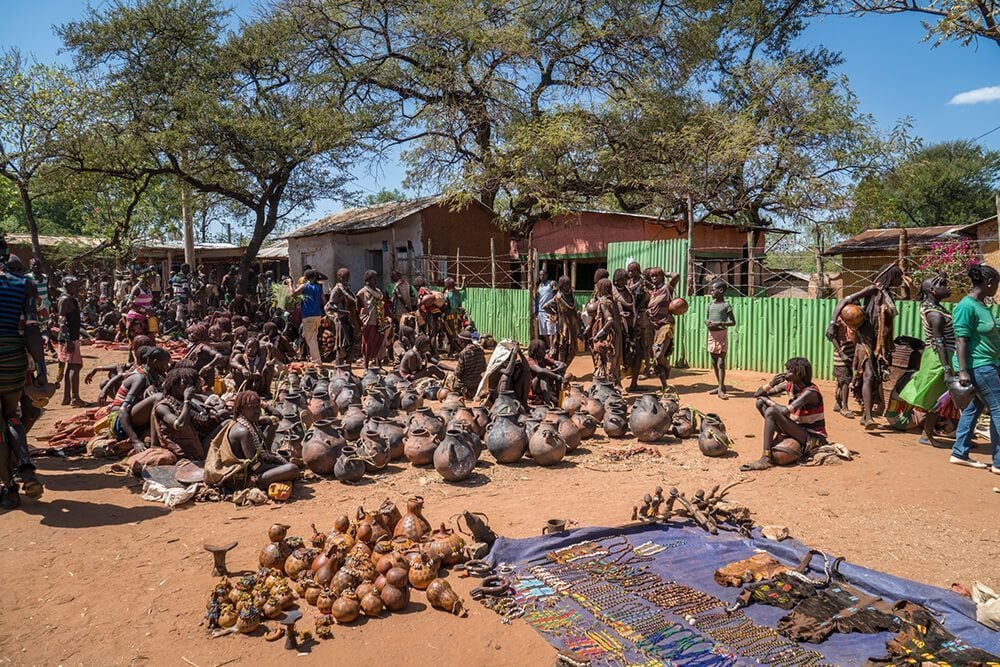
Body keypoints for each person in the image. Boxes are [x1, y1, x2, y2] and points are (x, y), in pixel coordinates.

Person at [828, 263, 907, 428]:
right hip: (866, 341)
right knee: (868, 375)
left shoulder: (887, 294)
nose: (901, 279)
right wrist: (832, 323)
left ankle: (866, 415)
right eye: (899, 276)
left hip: (881, 344)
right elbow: (845, 300)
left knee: (875, 378)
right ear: (891, 276)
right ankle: (868, 417)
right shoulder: (874, 289)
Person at [0, 254, 48, 509]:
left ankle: (9, 489)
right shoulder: (25, 284)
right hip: (14, 360)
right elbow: (32, 328)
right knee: (11, 416)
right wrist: (41, 369)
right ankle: (26, 469)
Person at [948, 264, 1000, 473]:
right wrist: (963, 371)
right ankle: (999, 462)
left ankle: (959, 453)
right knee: (998, 409)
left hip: (986, 364)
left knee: (974, 408)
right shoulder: (966, 306)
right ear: (989, 282)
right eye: (997, 284)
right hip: (978, 366)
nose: (997, 288)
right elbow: (961, 340)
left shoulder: (981, 305)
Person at [897, 275, 955, 446]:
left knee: (944, 396)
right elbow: (939, 342)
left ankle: (949, 433)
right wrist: (946, 368)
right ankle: (927, 435)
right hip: (939, 358)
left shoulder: (933, 307)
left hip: (941, 355)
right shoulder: (934, 314)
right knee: (936, 398)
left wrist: (941, 274)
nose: (948, 287)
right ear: (932, 290)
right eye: (943, 285)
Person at [742, 357, 826, 471]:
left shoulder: (810, 392)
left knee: (771, 411)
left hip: (812, 436)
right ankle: (781, 439)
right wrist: (771, 383)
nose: (786, 373)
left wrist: (767, 400)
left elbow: (785, 411)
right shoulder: (789, 385)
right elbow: (758, 394)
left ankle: (765, 458)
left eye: (790, 371)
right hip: (797, 429)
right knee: (760, 403)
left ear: (800, 374)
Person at [204, 390, 298, 491]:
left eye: (257, 407)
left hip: (254, 469)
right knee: (292, 469)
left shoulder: (251, 421)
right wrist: (277, 464)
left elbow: (278, 416)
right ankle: (262, 483)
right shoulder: (243, 431)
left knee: (271, 424)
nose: (256, 411)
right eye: (251, 408)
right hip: (243, 479)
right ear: (241, 410)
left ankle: (271, 464)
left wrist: (265, 405)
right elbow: (257, 467)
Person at [109, 347, 171, 451]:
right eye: (166, 363)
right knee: (158, 397)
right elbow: (122, 410)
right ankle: (154, 444)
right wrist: (135, 441)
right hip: (120, 421)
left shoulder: (156, 376)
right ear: (155, 362)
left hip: (135, 418)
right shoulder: (140, 378)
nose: (167, 366)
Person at [147, 367, 207, 463]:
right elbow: (180, 425)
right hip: (181, 451)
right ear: (174, 384)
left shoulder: (185, 402)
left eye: (191, 384)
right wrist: (187, 400)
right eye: (185, 383)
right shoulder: (162, 407)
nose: (189, 387)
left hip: (195, 444)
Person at [646, 267, 681, 390]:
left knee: (659, 354)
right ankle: (664, 385)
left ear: (661, 277)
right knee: (656, 358)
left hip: (665, 325)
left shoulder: (666, 289)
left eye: (657, 275)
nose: (654, 278)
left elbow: (676, 275)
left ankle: (667, 367)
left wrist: (664, 273)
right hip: (654, 327)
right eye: (652, 276)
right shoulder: (652, 292)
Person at [57, 276, 87, 407]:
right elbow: (61, 321)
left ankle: (67, 397)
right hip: (69, 338)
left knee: (71, 367)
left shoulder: (67, 299)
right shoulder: (66, 300)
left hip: (70, 337)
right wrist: (68, 339)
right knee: (75, 366)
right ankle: (75, 398)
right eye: (74, 285)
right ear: (67, 285)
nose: (77, 288)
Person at [588, 278, 623, 385]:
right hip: (617, 335)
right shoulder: (614, 301)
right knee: (615, 363)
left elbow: (610, 321)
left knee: (608, 363)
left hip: (609, 338)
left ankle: (610, 389)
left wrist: (598, 335)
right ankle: (617, 386)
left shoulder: (603, 302)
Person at [705, 280, 736, 399]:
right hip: (711, 335)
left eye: (713, 290)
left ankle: (721, 389)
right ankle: (720, 387)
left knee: (721, 362)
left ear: (721, 290)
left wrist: (720, 323)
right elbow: (707, 319)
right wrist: (707, 323)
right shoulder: (710, 305)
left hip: (721, 335)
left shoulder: (726, 305)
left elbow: (733, 322)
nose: (711, 292)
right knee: (714, 362)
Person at [626, 261, 653, 385]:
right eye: (629, 270)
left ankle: (647, 369)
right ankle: (633, 369)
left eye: (632, 270)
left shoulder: (644, 283)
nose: (630, 273)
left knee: (645, 344)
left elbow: (650, 296)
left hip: (642, 316)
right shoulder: (628, 283)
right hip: (631, 317)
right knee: (633, 344)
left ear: (638, 271)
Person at [543, 275, 579, 365]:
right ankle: (560, 368)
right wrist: (555, 314)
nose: (568, 286)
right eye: (566, 285)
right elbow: (545, 306)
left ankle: (564, 367)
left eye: (569, 284)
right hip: (562, 328)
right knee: (562, 348)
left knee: (572, 349)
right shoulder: (558, 298)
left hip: (572, 328)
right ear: (561, 286)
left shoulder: (571, 296)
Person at [356, 270, 389, 368]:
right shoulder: (362, 293)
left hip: (379, 322)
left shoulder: (378, 292)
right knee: (367, 344)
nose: (375, 281)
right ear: (367, 280)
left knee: (379, 343)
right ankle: (366, 367)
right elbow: (357, 308)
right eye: (373, 279)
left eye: (375, 279)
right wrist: (360, 321)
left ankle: (379, 366)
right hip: (368, 321)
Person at [327, 268, 359, 364]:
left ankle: (348, 368)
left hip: (350, 320)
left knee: (352, 346)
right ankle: (339, 368)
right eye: (344, 277)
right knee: (341, 346)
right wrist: (343, 312)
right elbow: (330, 307)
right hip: (341, 320)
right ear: (339, 277)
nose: (346, 279)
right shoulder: (336, 290)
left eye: (347, 277)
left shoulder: (347, 289)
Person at [292, 269, 324, 362]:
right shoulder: (318, 287)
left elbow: (293, 294)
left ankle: (317, 360)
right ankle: (314, 357)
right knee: (313, 337)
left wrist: (290, 284)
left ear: (306, 278)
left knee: (310, 339)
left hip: (308, 316)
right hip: (317, 316)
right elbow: (324, 300)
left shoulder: (304, 286)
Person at [526, 338, 567, 405]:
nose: (545, 351)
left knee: (552, 371)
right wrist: (556, 376)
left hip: (545, 383)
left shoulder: (543, 359)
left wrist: (553, 371)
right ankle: (548, 400)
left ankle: (557, 397)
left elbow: (563, 364)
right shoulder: (530, 361)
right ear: (536, 351)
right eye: (543, 349)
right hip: (534, 387)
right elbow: (540, 370)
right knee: (543, 374)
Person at [830, 316, 856, 419]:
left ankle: (838, 403)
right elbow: (830, 335)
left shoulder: (854, 315)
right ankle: (844, 407)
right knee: (845, 380)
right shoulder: (839, 319)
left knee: (841, 380)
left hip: (851, 351)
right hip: (841, 354)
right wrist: (841, 353)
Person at [451, 329, 486, 398]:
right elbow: (484, 368)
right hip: (477, 382)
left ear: (462, 341)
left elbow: (458, 372)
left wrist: (454, 374)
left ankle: (464, 391)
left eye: (459, 341)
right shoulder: (480, 351)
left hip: (465, 383)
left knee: (451, 380)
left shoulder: (464, 353)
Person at [442, 276, 465, 352]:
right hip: (457, 316)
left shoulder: (447, 295)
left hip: (449, 316)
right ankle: (453, 350)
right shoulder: (457, 294)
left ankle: (456, 349)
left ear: (447, 285)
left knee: (450, 334)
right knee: (456, 333)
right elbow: (459, 305)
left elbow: (446, 305)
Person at [536, 270, 557, 353]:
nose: (541, 276)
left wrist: (553, 306)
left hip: (549, 310)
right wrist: (536, 311)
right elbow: (538, 298)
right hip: (541, 311)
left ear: (547, 275)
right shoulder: (539, 286)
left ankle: (552, 347)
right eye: (540, 275)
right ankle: (550, 347)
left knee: (551, 330)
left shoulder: (551, 283)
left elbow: (556, 294)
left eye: (543, 275)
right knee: (544, 332)